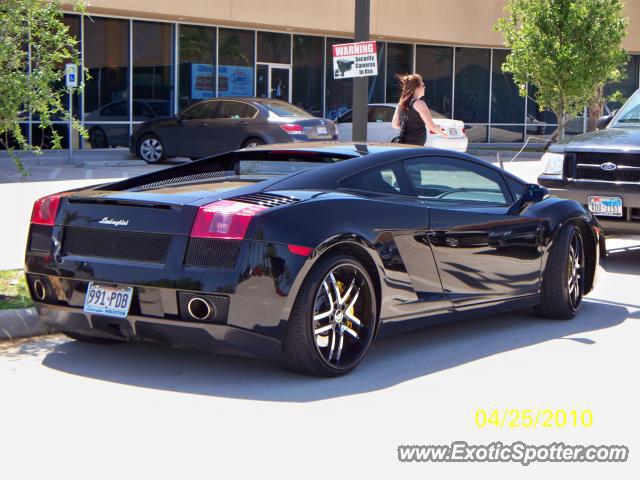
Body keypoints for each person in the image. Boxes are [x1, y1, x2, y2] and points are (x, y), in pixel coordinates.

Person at [392, 74, 447, 145]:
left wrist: (409, 128)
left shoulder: (401, 103)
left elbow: (395, 124)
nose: (425, 87)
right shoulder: (419, 103)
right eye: (423, 85)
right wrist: (444, 134)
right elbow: (432, 126)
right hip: (416, 145)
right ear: (416, 88)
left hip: (403, 144)